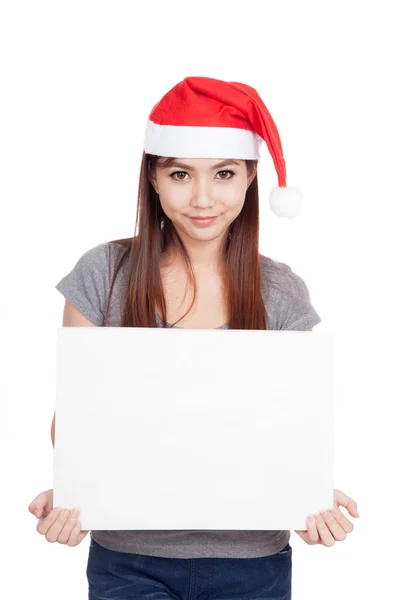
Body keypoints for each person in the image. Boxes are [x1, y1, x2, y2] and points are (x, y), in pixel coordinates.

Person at [28, 76, 359, 599]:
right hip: (129, 560)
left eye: (223, 174)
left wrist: (308, 495)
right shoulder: (103, 274)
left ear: (250, 179)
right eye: (180, 174)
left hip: (253, 564)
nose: (202, 198)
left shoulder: (281, 292)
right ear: (154, 180)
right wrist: (75, 490)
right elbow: (76, 417)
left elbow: (294, 427)